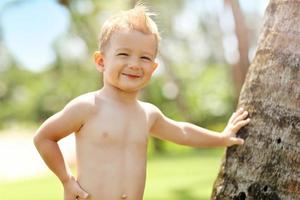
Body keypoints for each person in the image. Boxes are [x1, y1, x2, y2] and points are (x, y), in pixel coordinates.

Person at [33, 4, 250, 200]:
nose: (135, 64)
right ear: (101, 61)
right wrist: (66, 180)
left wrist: (222, 138)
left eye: (144, 57)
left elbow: (182, 132)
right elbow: (44, 137)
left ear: (153, 68)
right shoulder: (88, 107)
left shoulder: (148, 114)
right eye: (124, 54)